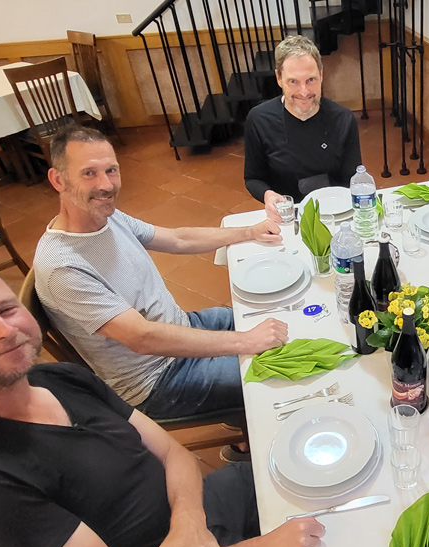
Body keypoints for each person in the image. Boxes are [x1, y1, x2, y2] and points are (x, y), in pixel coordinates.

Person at [0, 265, 324, 547]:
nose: (5, 330)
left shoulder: (57, 378)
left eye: (7, 308)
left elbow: (173, 454)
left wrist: (189, 524)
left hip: (193, 519)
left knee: (319, 475)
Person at [34, 125, 287, 440]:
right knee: (282, 369)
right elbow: (142, 338)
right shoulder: (63, 266)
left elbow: (178, 239)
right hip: (157, 381)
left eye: (111, 170)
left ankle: (243, 419)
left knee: (282, 320)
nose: (106, 184)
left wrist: (249, 231)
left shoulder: (106, 216)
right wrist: (246, 342)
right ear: (58, 180)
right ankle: (258, 443)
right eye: (89, 173)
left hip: (181, 329)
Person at [244, 35, 362, 223]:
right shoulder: (259, 119)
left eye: (311, 80)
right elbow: (253, 179)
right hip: (287, 217)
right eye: (293, 82)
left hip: (338, 214)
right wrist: (268, 195)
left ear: (322, 75)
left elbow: (352, 179)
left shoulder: (343, 119)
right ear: (279, 78)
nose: (304, 91)